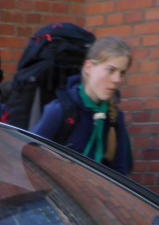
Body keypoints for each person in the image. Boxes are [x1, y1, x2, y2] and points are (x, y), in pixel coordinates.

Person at [31, 36, 134, 175]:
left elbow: (120, 171)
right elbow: (30, 156)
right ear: (88, 67)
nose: (117, 79)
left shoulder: (114, 117)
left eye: (122, 73)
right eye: (110, 70)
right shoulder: (59, 111)